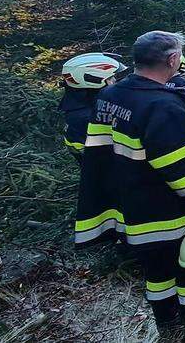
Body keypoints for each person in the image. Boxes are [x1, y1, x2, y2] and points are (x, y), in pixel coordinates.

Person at [98, 31, 185, 337]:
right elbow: (184, 169)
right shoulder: (163, 106)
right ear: (172, 60)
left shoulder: (111, 96)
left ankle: (169, 332)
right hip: (172, 217)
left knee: (158, 279)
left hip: (136, 214)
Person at [60, 52, 127, 247]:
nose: (115, 82)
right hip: (114, 180)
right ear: (93, 79)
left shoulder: (80, 105)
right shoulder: (87, 116)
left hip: (105, 177)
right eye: (111, 78)